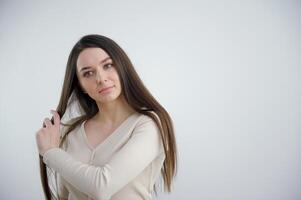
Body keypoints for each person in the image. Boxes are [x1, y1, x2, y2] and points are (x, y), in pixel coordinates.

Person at [35, 34, 178, 200]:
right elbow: (63, 197)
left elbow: (102, 187)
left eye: (108, 65)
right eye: (88, 73)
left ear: (122, 67)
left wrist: (50, 153)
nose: (101, 78)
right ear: (80, 85)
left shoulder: (150, 124)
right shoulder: (71, 132)